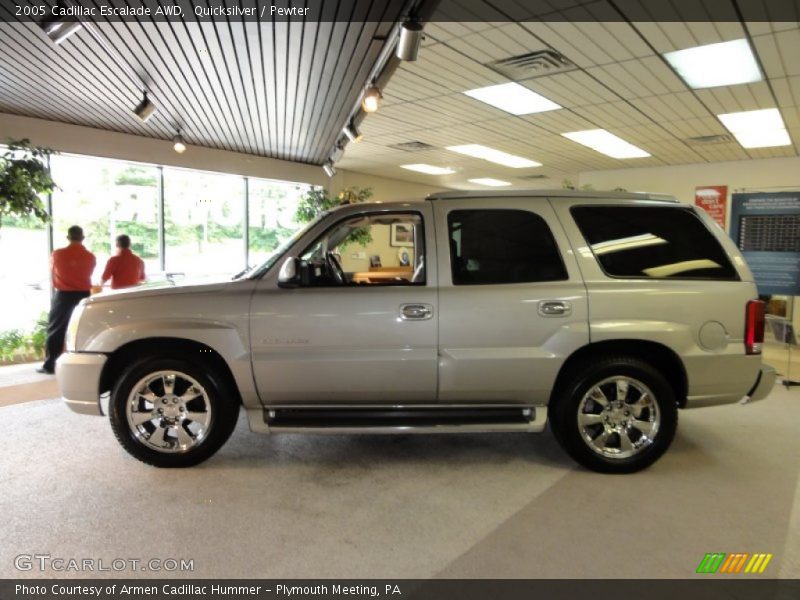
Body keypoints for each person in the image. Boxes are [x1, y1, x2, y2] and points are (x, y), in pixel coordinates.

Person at [38, 225, 96, 374]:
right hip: (83, 295)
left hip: (63, 295)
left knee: (56, 329)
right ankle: (85, 365)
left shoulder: (57, 254)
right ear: (82, 238)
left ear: (68, 237)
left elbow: (53, 272)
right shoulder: (90, 257)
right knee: (84, 328)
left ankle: (51, 365)